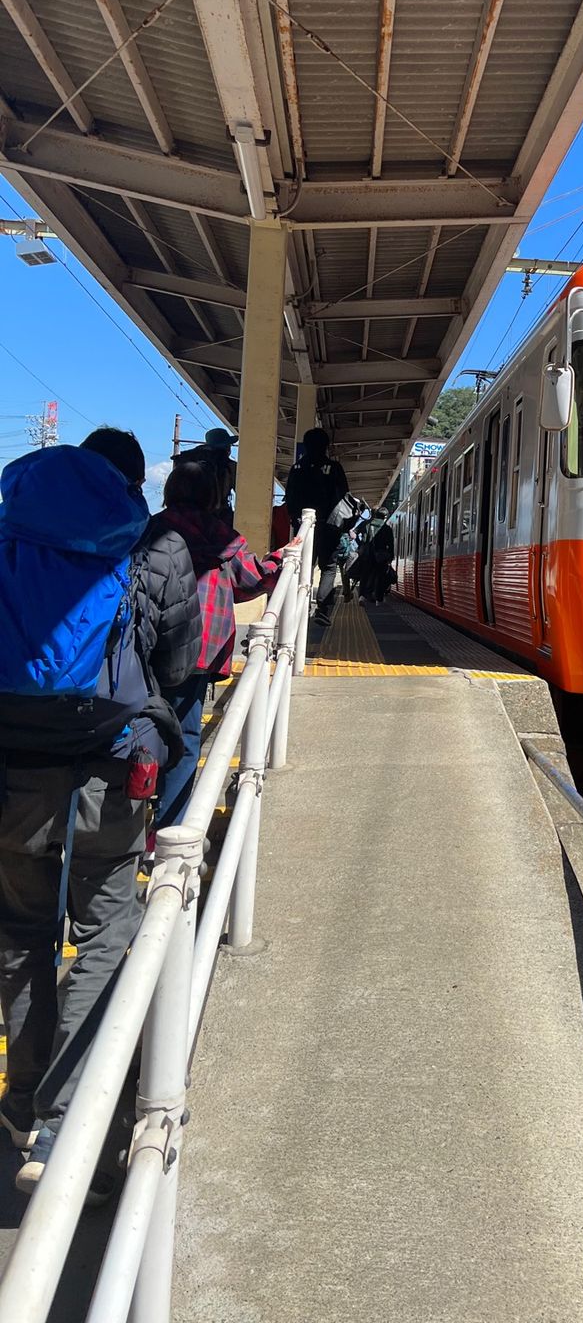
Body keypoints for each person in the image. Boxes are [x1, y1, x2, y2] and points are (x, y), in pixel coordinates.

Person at [0, 428, 200, 1199]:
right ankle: (66, 1121)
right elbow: (177, 667)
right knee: (107, 930)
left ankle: (21, 1102)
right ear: (129, 484)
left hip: (15, 772)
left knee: (22, 933)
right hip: (111, 768)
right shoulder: (153, 548)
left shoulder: (10, 540)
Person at [146, 461, 284, 832]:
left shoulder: (150, 529)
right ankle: (169, 829)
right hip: (199, 649)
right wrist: (283, 557)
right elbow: (253, 580)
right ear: (213, 496)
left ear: (169, 491)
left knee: (142, 727)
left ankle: (134, 814)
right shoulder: (222, 536)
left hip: (149, 647)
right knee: (187, 736)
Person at [284, 428, 350, 627]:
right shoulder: (334, 468)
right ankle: (323, 609)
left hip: (303, 527)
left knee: (302, 565)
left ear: (305, 445)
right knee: (328, 567)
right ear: (326, 446)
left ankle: (298, 607)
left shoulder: (297, 468)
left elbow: (290, 497)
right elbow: (344, 497)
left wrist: (296, 520)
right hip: (329, 527)